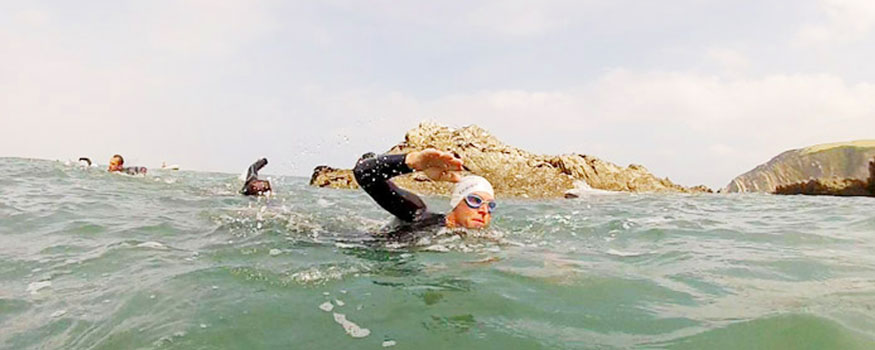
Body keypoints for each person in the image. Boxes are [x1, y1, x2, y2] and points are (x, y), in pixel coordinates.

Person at [353, 149, 497, 234]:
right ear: (456, 202)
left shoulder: (480, 241)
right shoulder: (417, 214)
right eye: (475, 201)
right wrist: (412, 163)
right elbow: (364, 173)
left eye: (490, 206)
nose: (484, 211)